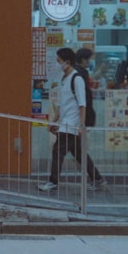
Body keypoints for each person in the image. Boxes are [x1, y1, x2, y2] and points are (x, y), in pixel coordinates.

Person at [39, 47, 105, 193]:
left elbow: (82, 104)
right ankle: (97, 178)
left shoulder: (77, 79)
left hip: (71, 124)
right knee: (79, 154)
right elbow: (62, 104)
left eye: (58, 61)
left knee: (58, 152)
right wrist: (54, 121)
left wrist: (81, 125)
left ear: (67, 62)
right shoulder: (65, 79)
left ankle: (53, 182)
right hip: (65, 123)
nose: (57, 64)